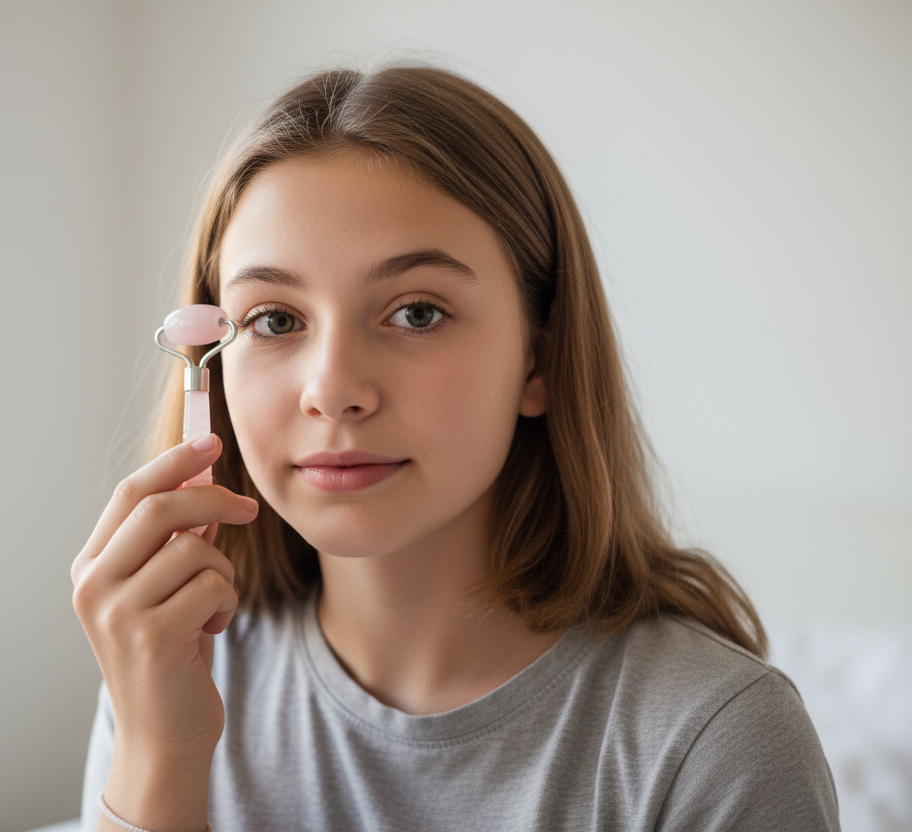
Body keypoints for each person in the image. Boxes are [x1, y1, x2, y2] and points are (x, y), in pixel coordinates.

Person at [70, 65, 839, 832]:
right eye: (274, 320)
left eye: (417, 313)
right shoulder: (166, 674)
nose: (333, 389)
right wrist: (159, 753)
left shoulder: (713, 742)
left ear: (538, 361)